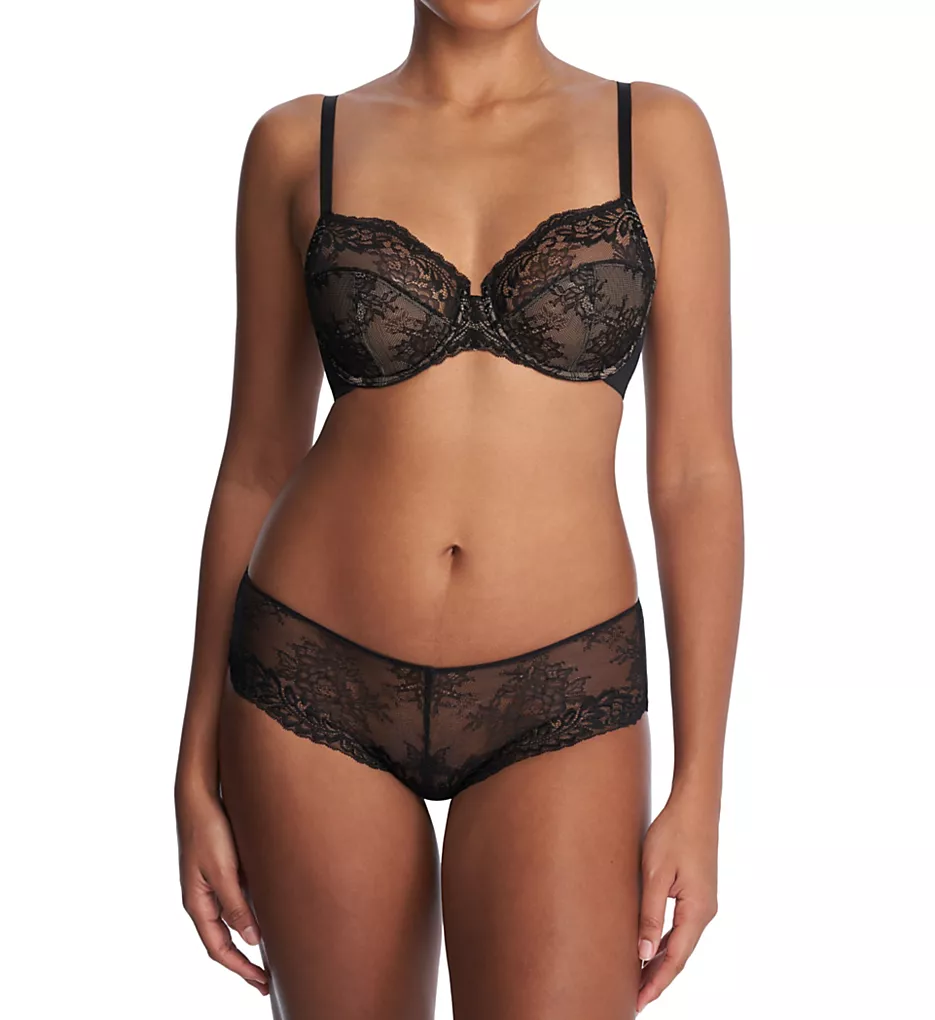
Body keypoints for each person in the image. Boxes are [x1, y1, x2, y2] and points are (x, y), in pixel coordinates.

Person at [174, 2, 743, 1016]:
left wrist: (699, 787)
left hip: (563, 689)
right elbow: (255, 464)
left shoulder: (654, 134)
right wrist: (192, 765)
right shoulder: (300, 143)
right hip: (312, 677)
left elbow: (694, 474)